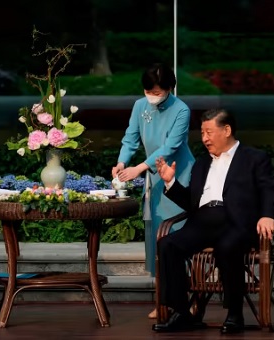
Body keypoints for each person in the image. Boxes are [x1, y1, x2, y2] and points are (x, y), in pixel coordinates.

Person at [152, 109, 274, 334]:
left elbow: (269, 189)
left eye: (209, 132)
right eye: (202, 133)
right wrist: (170, 183)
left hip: (236, 222)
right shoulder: (202, 163)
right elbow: (192, 202)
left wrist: (268, 215)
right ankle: (182, 312)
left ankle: (234, 314)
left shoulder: (253, 158)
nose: (204, 138)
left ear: (227, 130)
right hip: (202, 221)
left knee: (227, 246)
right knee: (167, 244)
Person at [111, 62, 195, 319]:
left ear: (170, 88)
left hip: (177, 176)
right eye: (150, 90)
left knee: (177, 237)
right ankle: (163, 299)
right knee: (156, 239)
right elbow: (130, 138)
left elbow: (171, 146)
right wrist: (123, 161)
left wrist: (139, 168)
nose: (153, 95)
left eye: (158, 91)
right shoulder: (140, 106)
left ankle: (186, 300)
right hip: (154, 180)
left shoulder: (181, 110)